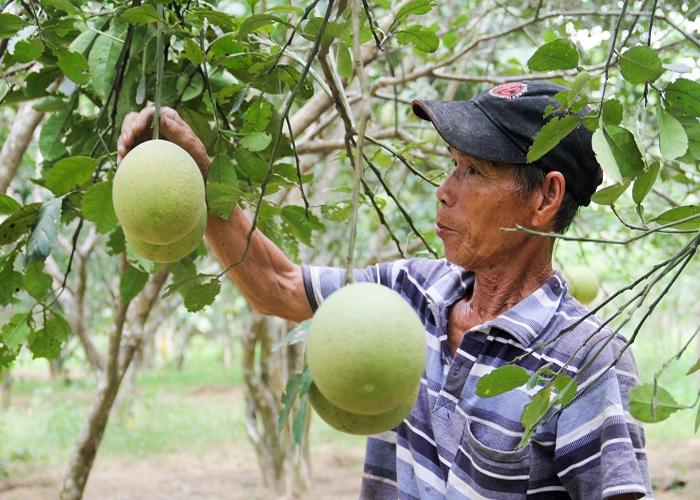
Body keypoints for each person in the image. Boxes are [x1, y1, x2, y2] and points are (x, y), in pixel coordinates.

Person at [118, 80, 653, 499]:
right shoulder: (408, 292)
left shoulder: (587, 364)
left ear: (545, 198)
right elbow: (277, 287)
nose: (444, 192)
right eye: (452, 166)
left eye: (473, 171)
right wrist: (199, 174)